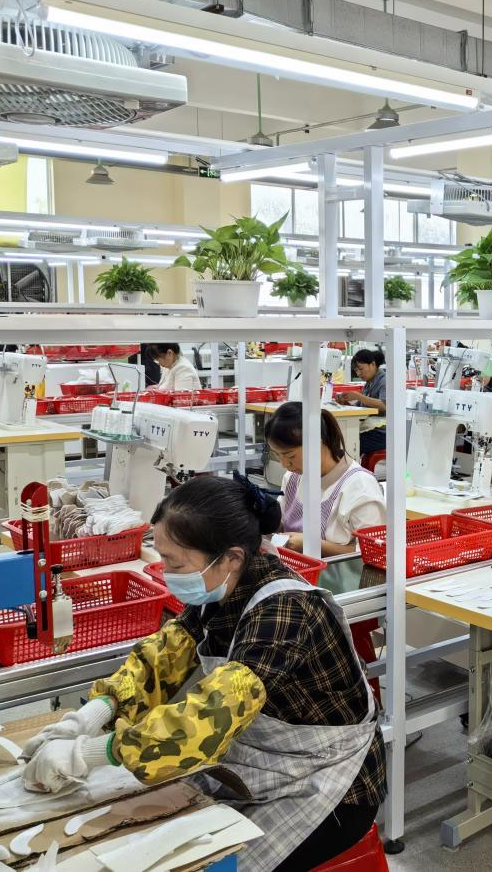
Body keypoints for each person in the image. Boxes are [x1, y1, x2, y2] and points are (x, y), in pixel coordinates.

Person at [21, 476, 385, 870]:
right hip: (264, 761)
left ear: (231, 557)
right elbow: (162, 657)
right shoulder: (224, 588)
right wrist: (94, 713)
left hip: (330, 782)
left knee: (206, 861)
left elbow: (205, 719)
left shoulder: (285, 613)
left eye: (175, 563)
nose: (166, 571)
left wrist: (90, 753)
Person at [266, 402, 385, 557]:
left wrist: (314, 545)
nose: (284, 464)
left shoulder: (359, 486)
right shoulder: (293, 477)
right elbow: (281, 526)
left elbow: (374, 551)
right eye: (277, 455)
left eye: (290, 456)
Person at [336, 348, 386, 456]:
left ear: (372, 364)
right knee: (342, 438)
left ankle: (351, 466)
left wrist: (358, 396)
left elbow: (384, 405)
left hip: (383, 433)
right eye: (356, 370)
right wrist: (346, 404)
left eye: (361, 369)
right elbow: (361, 408)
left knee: (348, 443)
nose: (358, 374)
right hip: (371, 428)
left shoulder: (384, 381)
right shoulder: (369, 383)